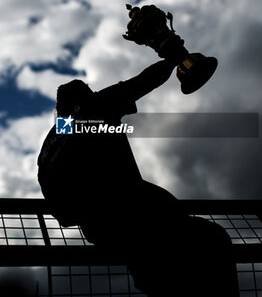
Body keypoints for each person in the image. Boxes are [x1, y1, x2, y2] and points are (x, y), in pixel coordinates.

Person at [38, 58, 239, 296]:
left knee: (159, 277)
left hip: (104, 232)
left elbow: (63, 216)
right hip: (138, 219)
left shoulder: (48, 148)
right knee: (211, 241)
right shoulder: (93, 109)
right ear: (85, 98)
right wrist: (173, 59)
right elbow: (144, 82)